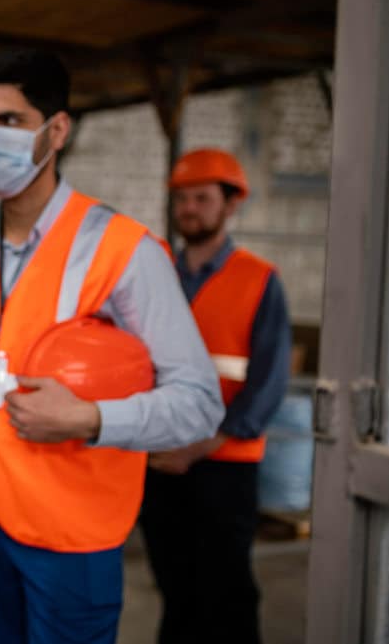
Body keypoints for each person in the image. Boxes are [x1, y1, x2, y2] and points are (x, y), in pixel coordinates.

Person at [0, 48, 224, 644]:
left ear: (57, 130)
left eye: (11, 120)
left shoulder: (123, 249)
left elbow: (200, 403)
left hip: (73, 543)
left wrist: (91, 418)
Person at [140, 148, 292, 644]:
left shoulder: (259, 280)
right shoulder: (155, 273)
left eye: (202, 198)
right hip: (162, 466)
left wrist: (199, 446)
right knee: (175, 591)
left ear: (230, 205)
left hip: (225, 464)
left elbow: (266, 385)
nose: (189, 209)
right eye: (182, 198)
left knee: (226, 596)